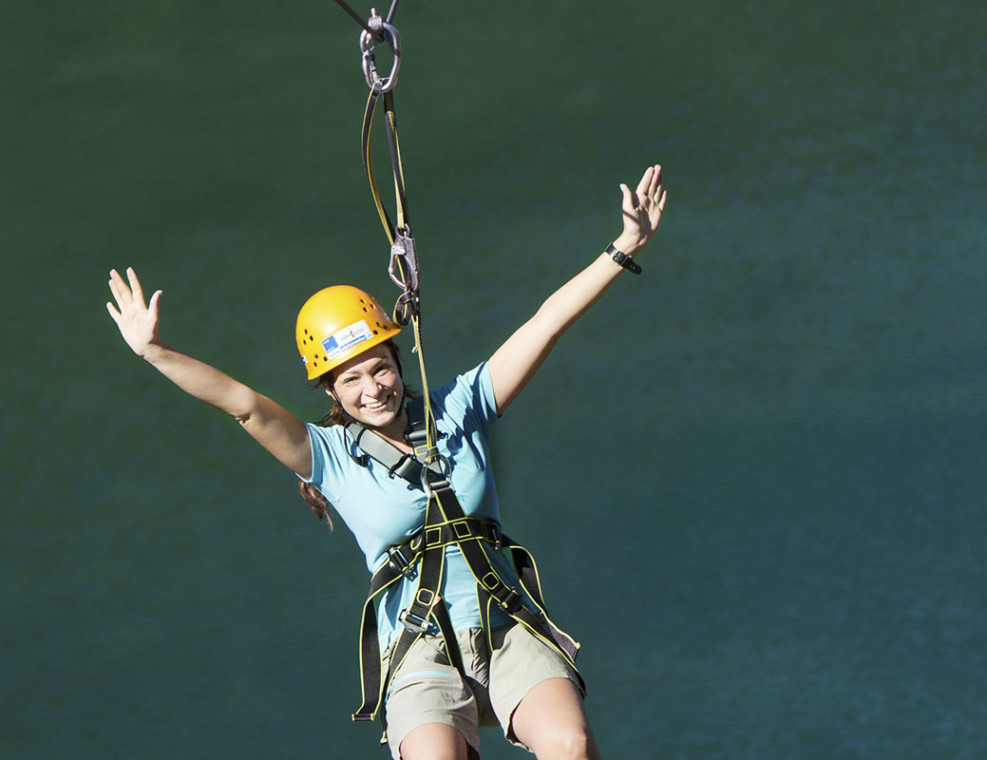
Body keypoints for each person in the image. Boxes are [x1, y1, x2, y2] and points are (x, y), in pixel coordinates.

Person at [106, 164, 667, 760]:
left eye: (381, 368)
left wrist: (624, 246)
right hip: (422, 650)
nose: (373, 388)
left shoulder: (460, 409)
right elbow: (244, 406)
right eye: (351, 379)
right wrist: (155, 352)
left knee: (573, 747)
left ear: (399, 363)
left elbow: (546, 322)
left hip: (505, 627)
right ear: (330, 392)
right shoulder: (327, 458)